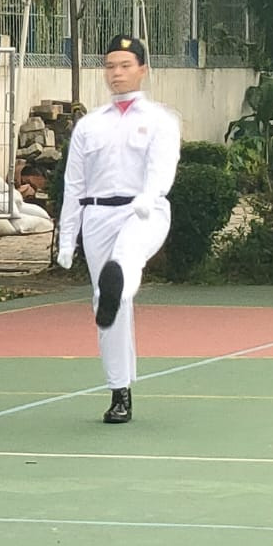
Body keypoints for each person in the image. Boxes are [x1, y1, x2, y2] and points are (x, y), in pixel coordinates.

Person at [56, 35, 181, 424]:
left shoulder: (160, 119)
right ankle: (119, 390)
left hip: (143, 211)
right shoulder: (90, 126)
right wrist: (66, 236)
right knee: (107, 304)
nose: (117, 73)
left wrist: (149, 195)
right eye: (110, 66)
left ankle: (119, 282)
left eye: (125, 65)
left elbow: (163, 167)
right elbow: (74, 186)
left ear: (142, 69)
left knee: (126, 260)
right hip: (97, 216)